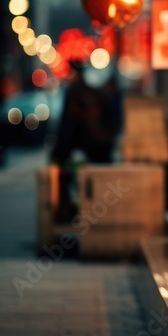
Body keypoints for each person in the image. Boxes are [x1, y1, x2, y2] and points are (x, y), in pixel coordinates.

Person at [51, 61, 121, 222]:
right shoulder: (93, 92)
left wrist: (59, 151)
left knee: (79, 183)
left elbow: (68, 124)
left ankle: (76, 214)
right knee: (96, 185)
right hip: (100, 146)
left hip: (86, 146)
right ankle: (96, 216)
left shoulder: (76, 93)